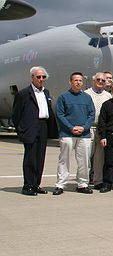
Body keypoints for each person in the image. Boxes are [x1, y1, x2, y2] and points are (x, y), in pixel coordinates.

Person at [12, 66, 58, 196]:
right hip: (30, 127)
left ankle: (36, 184)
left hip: (43, 126)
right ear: (32, 78)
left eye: (43, 77)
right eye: (38, 77)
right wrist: (21, 130)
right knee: (30, 158)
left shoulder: (46, 92)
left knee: (40, 158)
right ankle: (28, 186)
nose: (41, 79)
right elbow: (16, 115)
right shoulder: (23, 94)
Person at [53, 72, 95, 195]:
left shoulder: (87, 97)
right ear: (70, 82)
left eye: (80, 81)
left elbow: (91, 114)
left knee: (84, 160)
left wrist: (84, 127)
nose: (78, 83)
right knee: (64, 159)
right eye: (75, 80)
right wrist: (71, 127)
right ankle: (60, 184)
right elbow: (60, 114)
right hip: (67, 134)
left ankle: (82, 184)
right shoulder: (63, 97)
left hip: (84, 134)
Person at [85, 72, 112, 188]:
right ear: (93, 80)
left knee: (99, 158)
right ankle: (84, 181)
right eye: (98, 80)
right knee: (86, 156)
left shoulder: (108, 96)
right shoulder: (86, 94)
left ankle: (98, 181)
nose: (100, 82)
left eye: (103, 80)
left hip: (102, 129)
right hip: (89, 128)